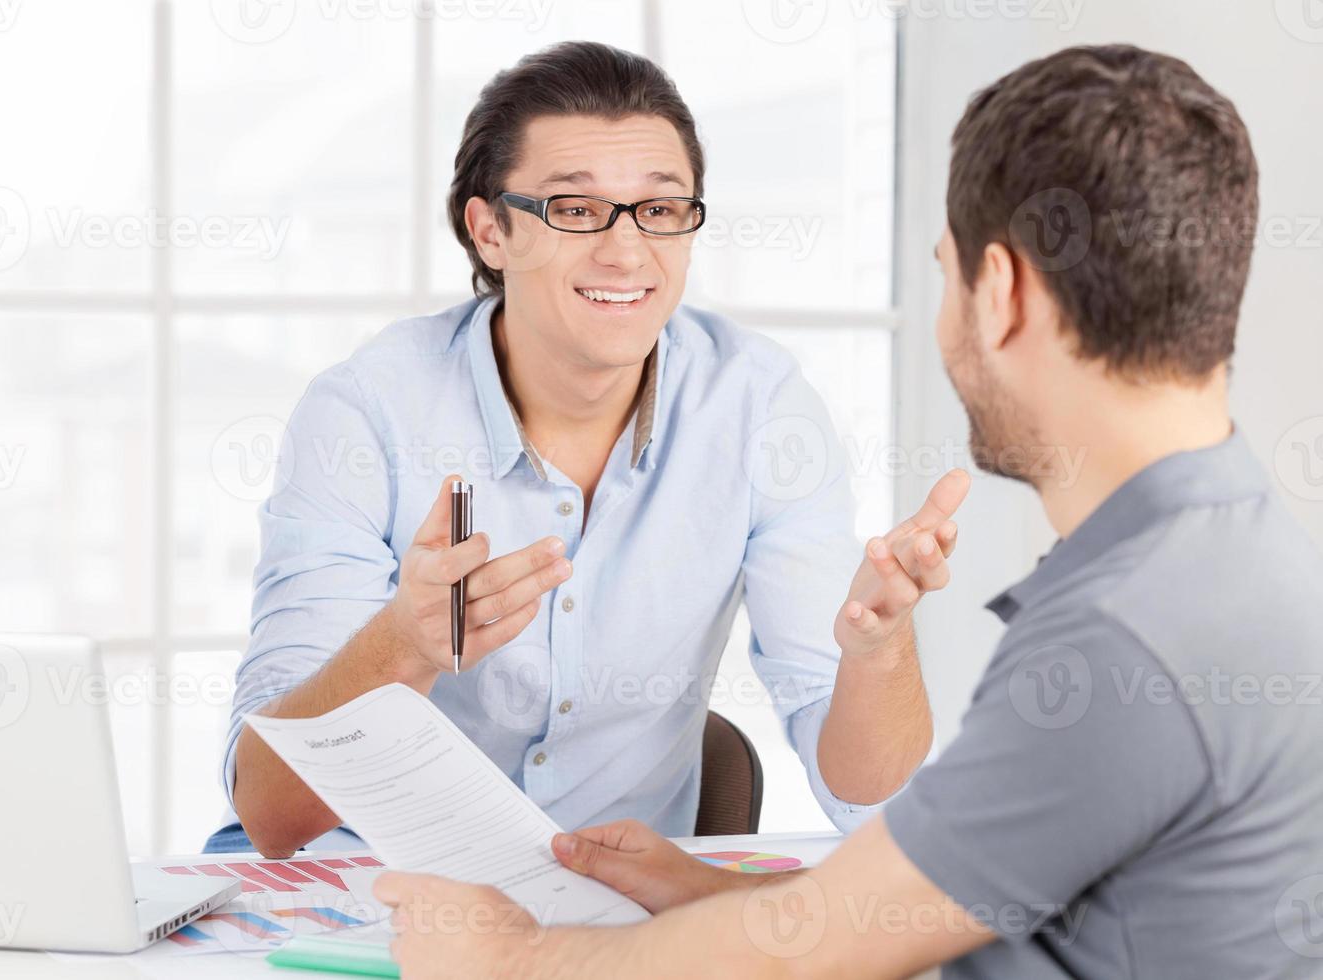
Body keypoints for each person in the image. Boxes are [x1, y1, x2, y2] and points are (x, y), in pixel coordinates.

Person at [373, 44, 1323, 979]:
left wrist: (513, 957)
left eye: (945, 273)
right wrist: (715, 897)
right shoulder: (1233, 565)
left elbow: (824, 955)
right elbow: (915, 920)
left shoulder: (1122, 639)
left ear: (1000, 294)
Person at [214, 40, 968, 859]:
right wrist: (406, 642)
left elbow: (867, 799)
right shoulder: (366, 415)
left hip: (608, 913)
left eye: (660, 208)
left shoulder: (759, 410)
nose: (625, 249)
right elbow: (270, 812)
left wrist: (880, 651)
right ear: (489, 230)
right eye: (574, 210)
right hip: (367, 900)